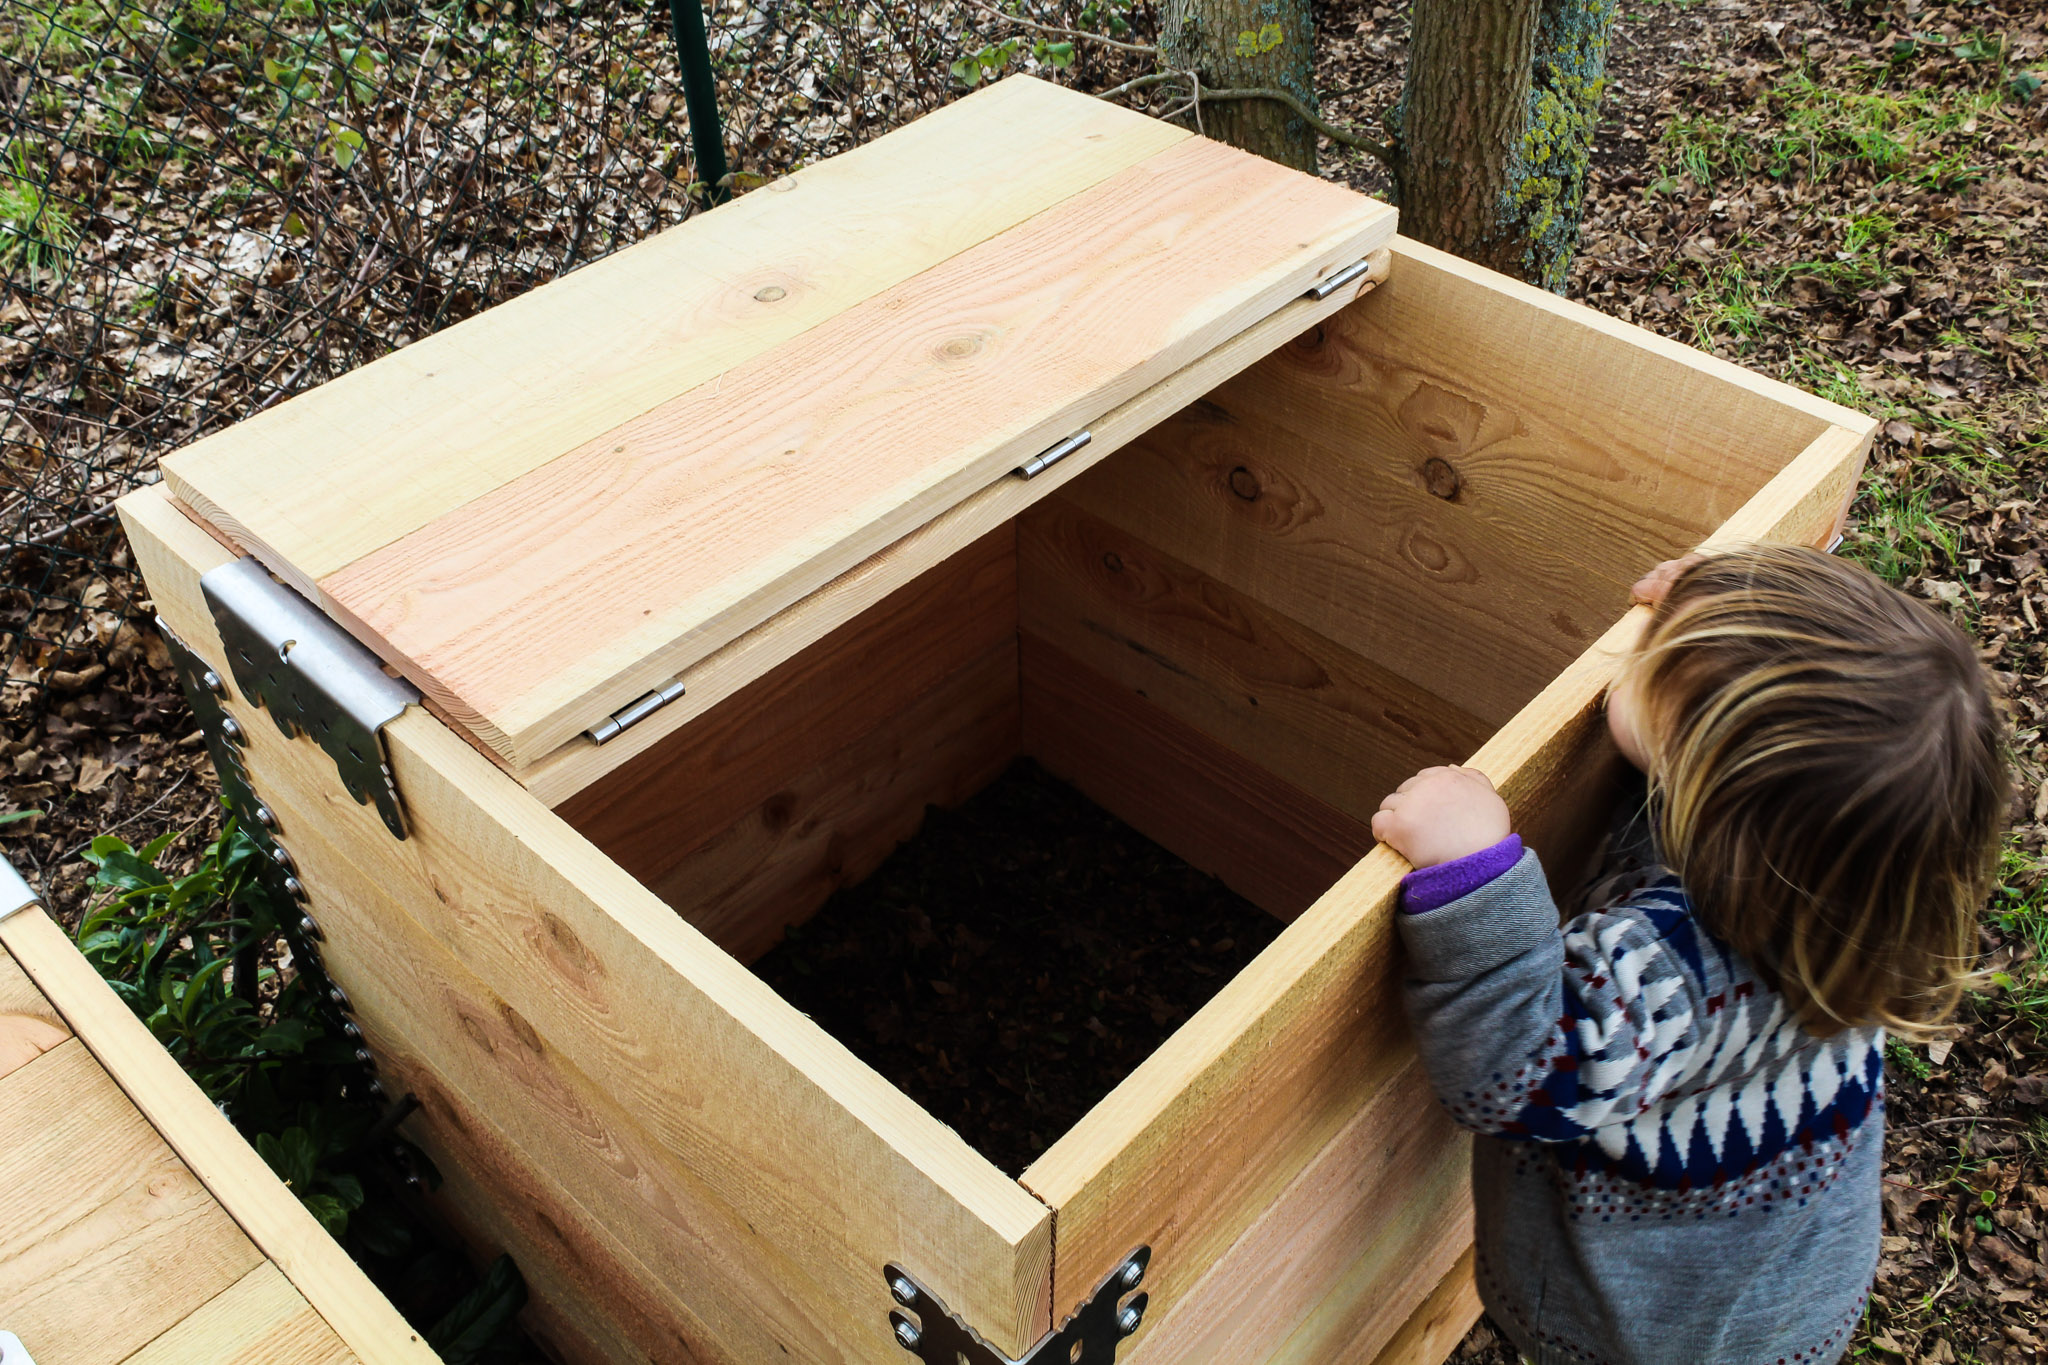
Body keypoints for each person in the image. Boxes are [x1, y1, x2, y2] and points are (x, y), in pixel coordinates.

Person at [1370, 545, 2009, 1365]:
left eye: (1664, 667)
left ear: (1705, 778)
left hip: (1651, 1328)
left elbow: (1521, 1071)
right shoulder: (1857, 891)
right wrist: (1724, 609)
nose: (1648, 646)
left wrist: (1474, 875)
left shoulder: (1671, 977)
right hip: (1792, 1286)